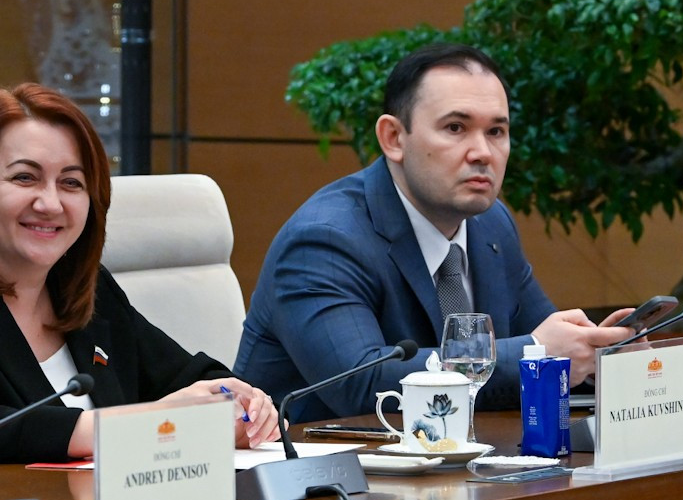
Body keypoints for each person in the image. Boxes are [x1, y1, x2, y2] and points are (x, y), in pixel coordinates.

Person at [0, 84, 281, 474]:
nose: (50, 203)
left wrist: (240, 403)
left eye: (71, 183)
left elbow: (188, 377)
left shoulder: (86, 292)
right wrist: (153, 421)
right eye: (24, 177)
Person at [234, 41, 633, 421]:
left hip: (463, 470)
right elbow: (361, 384)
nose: (482, 152)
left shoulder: (490, 223)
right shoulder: (324, 241)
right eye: (456, 128)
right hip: (322, 480)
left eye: (496, 132)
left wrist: (596, 355)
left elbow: (543, 335)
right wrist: (537, 353)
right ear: (394, 138)